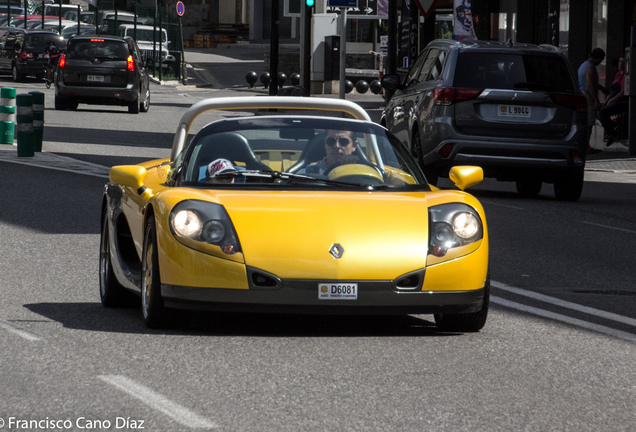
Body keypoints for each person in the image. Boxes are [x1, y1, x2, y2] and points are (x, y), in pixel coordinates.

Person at [578, 48, 609, 154]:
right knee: (589, 122)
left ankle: (586, 145)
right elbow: (589, 84)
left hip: (583, 93)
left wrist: (601, 88)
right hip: (587, 96)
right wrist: (595, 100)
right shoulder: (590, 68)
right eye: (601, 60)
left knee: (588, 121)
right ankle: (586, 146)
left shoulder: (583, 65)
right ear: (599, 58)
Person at [597, 55, 628, 146]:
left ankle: (611, 133)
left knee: (602, 113)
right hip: (613, 100)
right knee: (597, 111)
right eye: (619, 62)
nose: (621, 64)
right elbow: (611, 91)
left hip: (621, 102)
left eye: (623, 62)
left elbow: (623, 92)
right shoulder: (618, 74)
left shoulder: (626, 76)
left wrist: (612, 100)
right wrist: (606, 101)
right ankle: (612, 127)